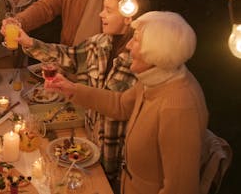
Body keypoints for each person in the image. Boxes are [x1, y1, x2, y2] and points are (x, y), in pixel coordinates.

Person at [45, 11, 209, 194]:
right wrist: (72, 89)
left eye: (136, 40)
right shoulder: (155, 78)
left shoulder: (178, 107)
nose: (128, 45)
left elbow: (180, 189)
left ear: (156, 52)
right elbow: (121, 104)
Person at [8, 0, 149, 192]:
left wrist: (73, 89)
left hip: (120, 165)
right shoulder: (99, 43)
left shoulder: (140, 62)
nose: (101, 14)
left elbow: (123, 108)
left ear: (128, 16)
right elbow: (68, 55)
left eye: (108, 10)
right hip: (89, 150)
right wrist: (29, 42)